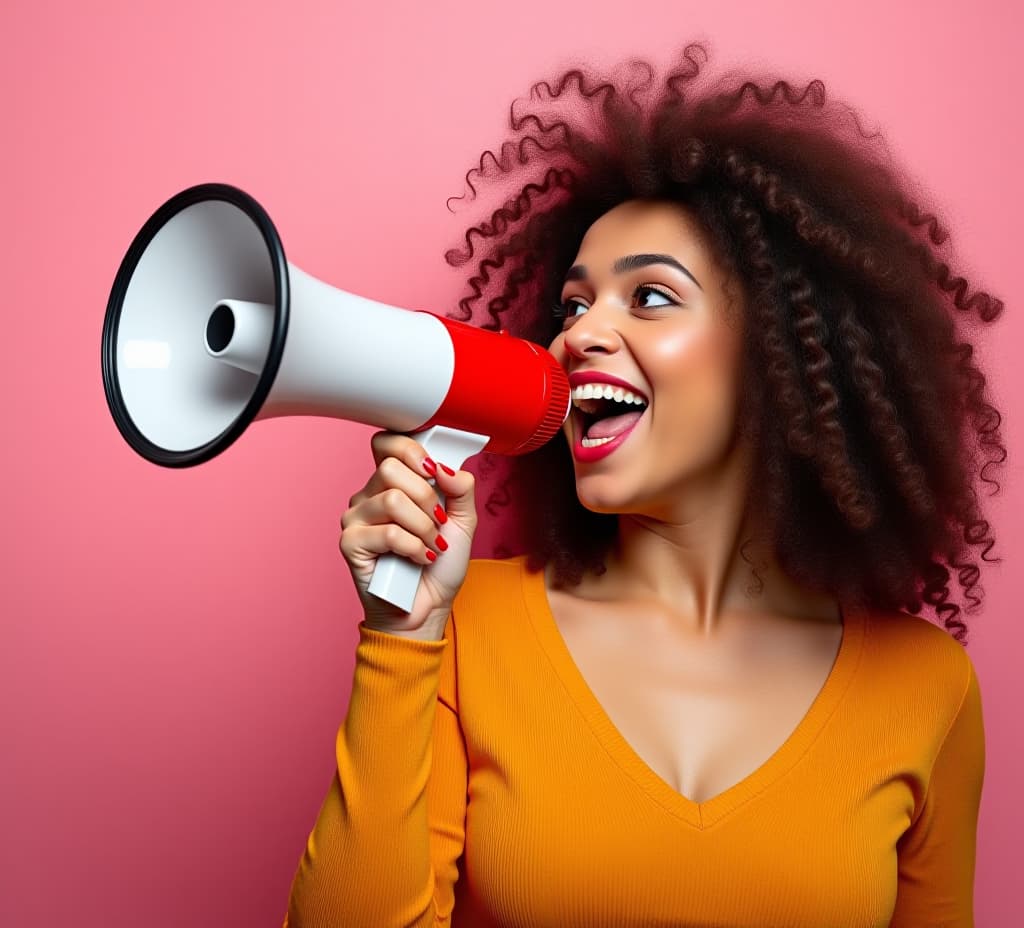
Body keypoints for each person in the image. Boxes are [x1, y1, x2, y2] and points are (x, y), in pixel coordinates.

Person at [283, 41, 1003, 927]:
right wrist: (402, 634)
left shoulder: (928, 687)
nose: (579, 337)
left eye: (650, 298)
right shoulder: (468, 628)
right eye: (574, 306)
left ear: (778, 356)